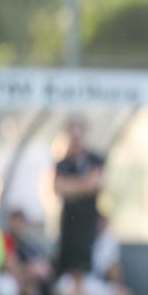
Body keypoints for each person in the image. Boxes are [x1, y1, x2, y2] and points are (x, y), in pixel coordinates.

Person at [54, 116, 104, 277]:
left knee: (87, 274)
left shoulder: (95, 160)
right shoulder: (62, 164)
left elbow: (94, 185)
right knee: (70, 274)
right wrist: (83, 184)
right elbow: (60, 187)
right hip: (69, 226)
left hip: (88, 225)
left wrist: (72, 186)